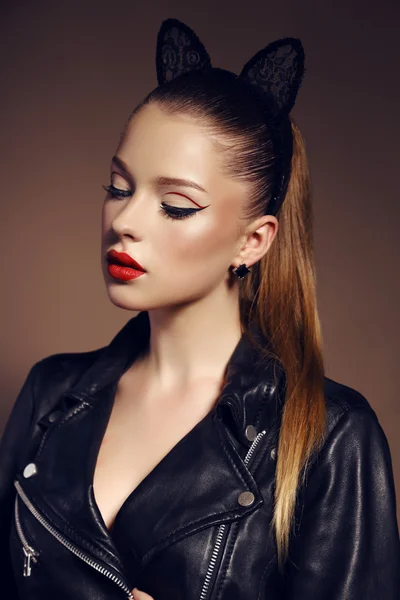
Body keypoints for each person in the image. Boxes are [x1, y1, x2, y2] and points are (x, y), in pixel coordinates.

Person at [1, 17, 399, 600]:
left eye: (176, 205)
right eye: (118, 187)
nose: (125, 222)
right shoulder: (50, 395)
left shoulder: (329, 436)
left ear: (253, 241)